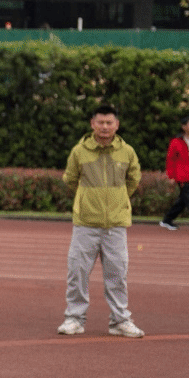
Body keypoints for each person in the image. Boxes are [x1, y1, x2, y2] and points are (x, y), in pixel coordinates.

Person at [58, 104, 144, 339]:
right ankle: (74, 319)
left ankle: (120, 321)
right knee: (77, 272)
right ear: (92, 124)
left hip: (116, 224)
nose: (105, 127)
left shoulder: (127, 152)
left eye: (109, 123)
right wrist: (87, 200)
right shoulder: (79, 151)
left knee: (117, 274)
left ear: (117, 125)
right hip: (86, 223)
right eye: (100, 122)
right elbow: (70, 179)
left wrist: (118, 200)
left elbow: (133, 180)